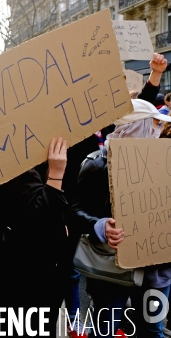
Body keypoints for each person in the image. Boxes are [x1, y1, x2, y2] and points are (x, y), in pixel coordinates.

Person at [70, 99, 171, 338]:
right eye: (154, 124)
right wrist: (100, 225)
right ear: (136, 126)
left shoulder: (164, 162)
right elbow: (74, 210)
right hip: (111, 271)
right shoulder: (96, 164)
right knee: (105, 329)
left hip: (157, 272)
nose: (158, 131)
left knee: (152, 329)